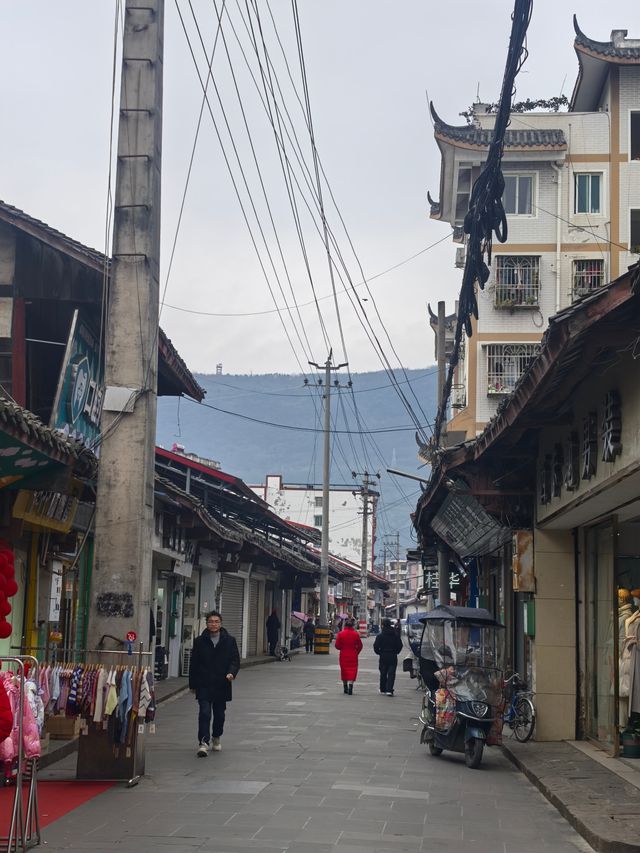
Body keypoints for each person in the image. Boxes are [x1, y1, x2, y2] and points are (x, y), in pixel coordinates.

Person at [189, 611, 240, 757]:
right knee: (204, 713)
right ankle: (203, 742)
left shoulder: (230, 641)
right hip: (204, 683)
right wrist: (193, 684)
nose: (213, 624)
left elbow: (235, 660)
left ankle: (216, 736)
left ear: (221, 623)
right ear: (207, 623)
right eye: (211, 621)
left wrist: (231, 673)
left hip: (222, 683)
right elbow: (194, 664)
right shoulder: (199, 641)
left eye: (216, 621)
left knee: (219, 715)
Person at [374, 617, 403, 696]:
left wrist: (379, 653)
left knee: (383, 672)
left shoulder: (380, 636)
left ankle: (383, 689)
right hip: (393, 655)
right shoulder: (395, 635)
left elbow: (376, 646)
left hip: (383, 655)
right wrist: (396, 652)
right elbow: (400, 645)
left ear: (383, 625)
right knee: (391, 673)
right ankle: (389, 690)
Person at [334, 618, 363, 695]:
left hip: (343, 655)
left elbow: (337, 646)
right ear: (353, 626)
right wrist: (356, 652)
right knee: (353, 670)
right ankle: (351, 685)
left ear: (345, 625)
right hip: (353, 655)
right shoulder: (356, 634)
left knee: (344, 671)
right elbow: (360, 646)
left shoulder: (340, 634)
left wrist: (342, 648)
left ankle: (345, 687)